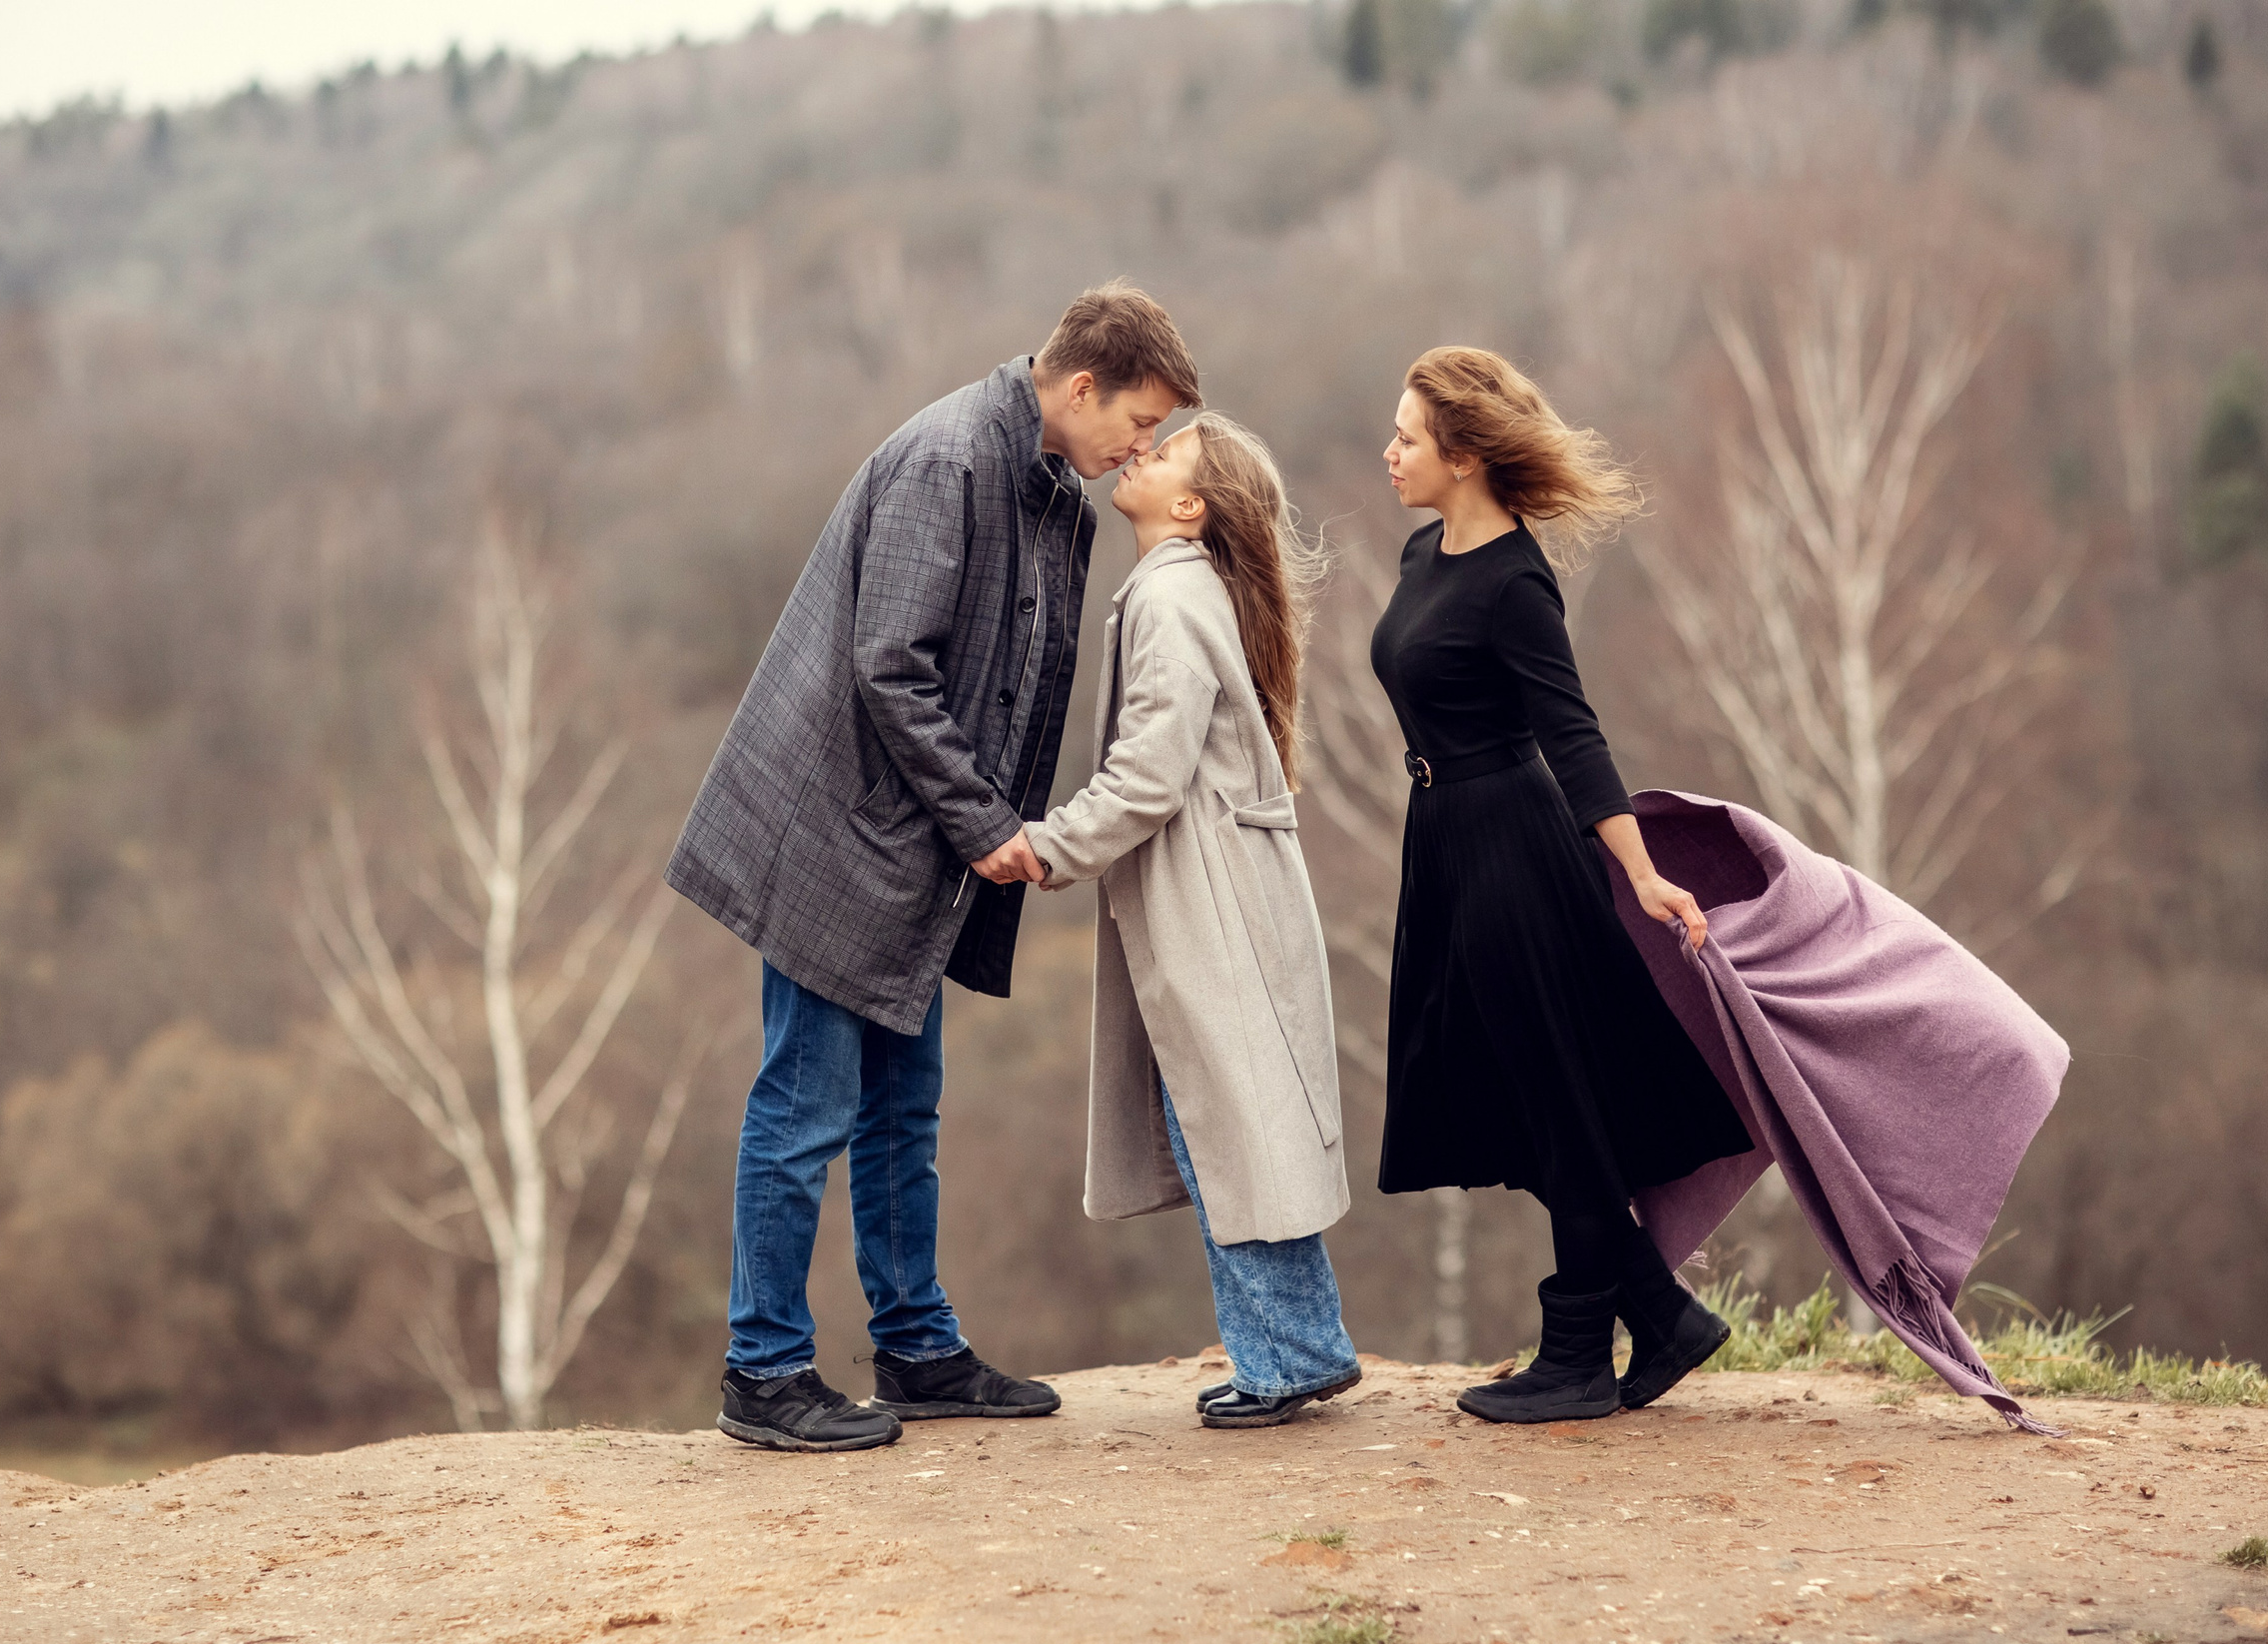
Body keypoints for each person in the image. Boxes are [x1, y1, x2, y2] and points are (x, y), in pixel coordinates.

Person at [667, 284, 1204, 1452]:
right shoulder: (949, 459)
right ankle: (763, 1371)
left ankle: (915, 1349)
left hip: (908, 852)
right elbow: (888, 667)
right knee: (802, 1108)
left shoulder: (1037, 480)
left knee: (901, 1111)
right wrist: (983, 823)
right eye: (1138, 421)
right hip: (837, 841)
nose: (1141, 447)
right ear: (1080, 388)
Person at [1370, 347, 1755, 1425]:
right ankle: (1661, 1317)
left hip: (1513, 852)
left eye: (1406, 436)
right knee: (1503, 1092)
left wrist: (1642, 874)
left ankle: (1581, 1354)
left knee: (1551, 1100)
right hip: (1443, 846)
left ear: (1462, 456)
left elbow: (1572, 734)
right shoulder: (1422, 552)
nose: (1389, 451)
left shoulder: (1514, 580)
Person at [1023, 414, 1357, 1429]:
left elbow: (1148, 775)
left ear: (1190, 506)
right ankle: (1295, 1348)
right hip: (1222, 888)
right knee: (1237, 1123)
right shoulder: (1186, 588)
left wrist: (1050, 845)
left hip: (1207, 898)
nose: (1140, 451)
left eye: (1163, 451)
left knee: (1223, 1124)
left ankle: (1288, 1357)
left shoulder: (1169, 596)